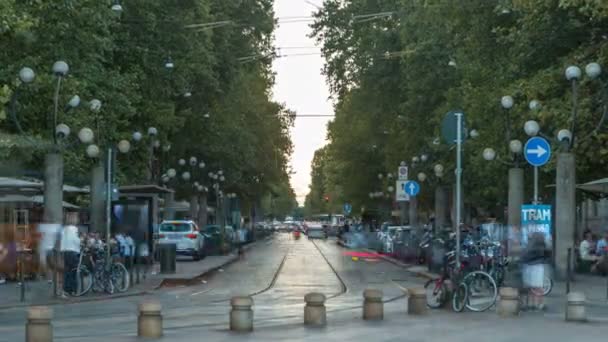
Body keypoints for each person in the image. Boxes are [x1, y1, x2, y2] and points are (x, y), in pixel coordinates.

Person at [521, 233, 548, 311]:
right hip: (538, 266)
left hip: (531, 266)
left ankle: (532, 303)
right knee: (537, 287)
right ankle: (538, 303)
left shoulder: (531, 246)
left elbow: (525, 255)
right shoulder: (543, 246)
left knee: (531, 287)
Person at [60, 222, 80, 297]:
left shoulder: (64, 229)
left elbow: (62, 241)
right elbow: (76, 240)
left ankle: (65, 290)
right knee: (74, 271)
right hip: (73, 251)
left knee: (67, 272)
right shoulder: (74, 229)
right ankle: (73, 290)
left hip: (66, 252)